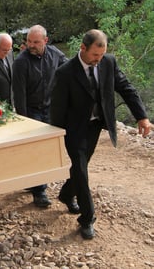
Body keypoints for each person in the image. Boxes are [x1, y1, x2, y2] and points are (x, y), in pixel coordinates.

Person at [50, 29, 152, 239]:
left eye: (102, 54)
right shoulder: (65, 72)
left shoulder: (108, 62)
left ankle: (67, 193)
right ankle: (87, 219)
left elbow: (126, 88)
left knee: (82, 166)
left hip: (96, 124)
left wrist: (142, 116)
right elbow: (57, 108)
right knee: (80, 168)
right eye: (95, 55)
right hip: (74, 128)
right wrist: (56, 135)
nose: (99, 59)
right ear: (83, 48)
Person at [12, 25, 68, 208]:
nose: (31, 45)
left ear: (46, 40)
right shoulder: (21, 62)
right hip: (31, 109)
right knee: (37, 150)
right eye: (29, 41)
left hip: (51, 108)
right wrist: (23, 120)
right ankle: (39, 191)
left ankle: (35, 181)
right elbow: (18, 94)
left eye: (35, 42)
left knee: (49, 148)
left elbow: (68, 70)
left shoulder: (55, 54)